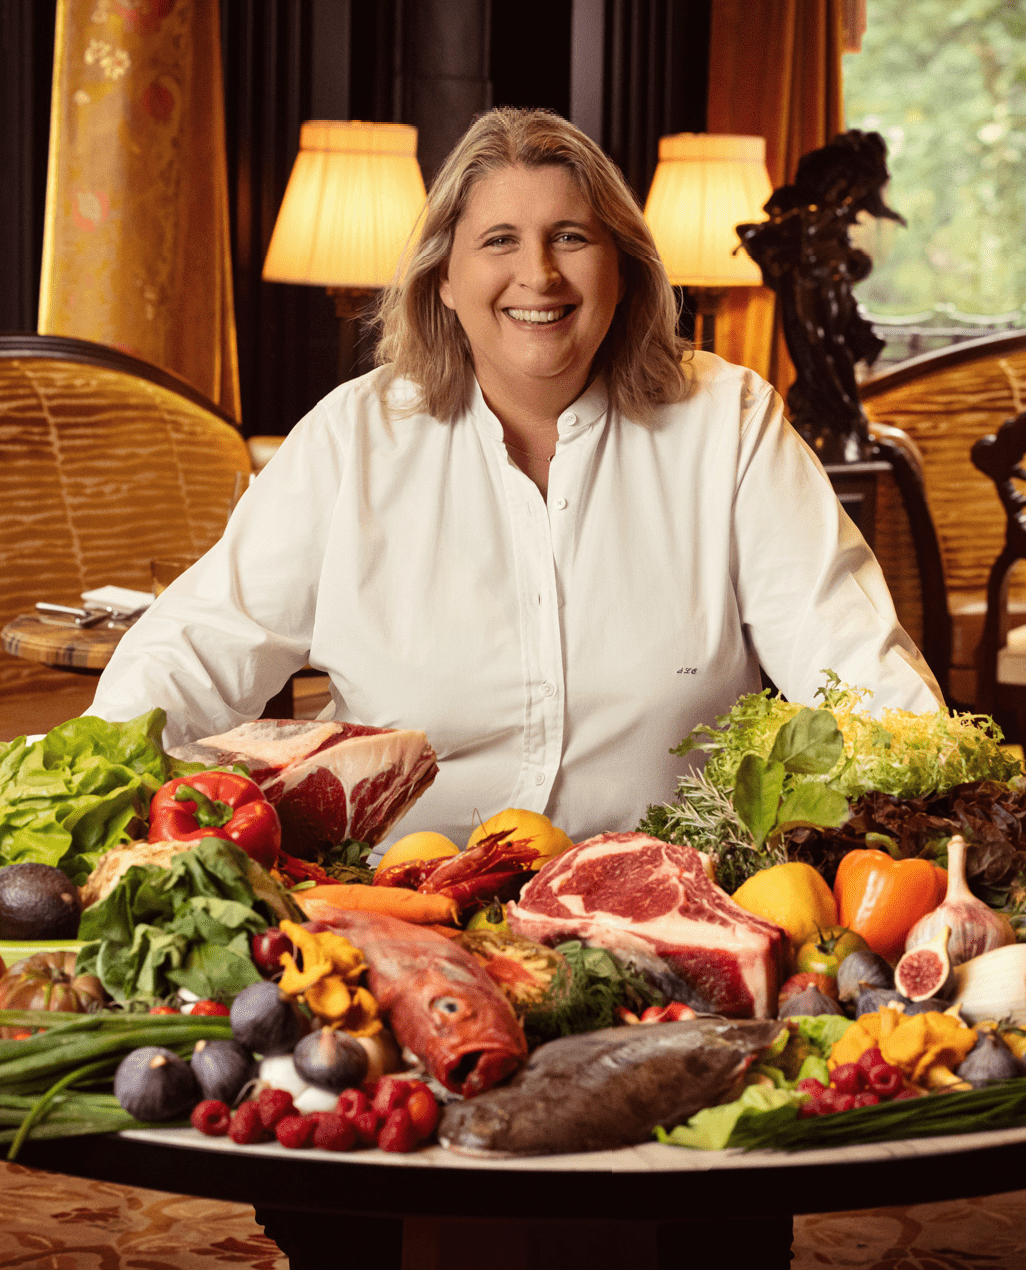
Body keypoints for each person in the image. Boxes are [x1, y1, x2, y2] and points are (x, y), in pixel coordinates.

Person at [90, 107, 942, 844]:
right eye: (499, 240)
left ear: (623, 270)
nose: (538, 275)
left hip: (680, 903)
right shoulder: (351, 438)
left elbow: (853, 659)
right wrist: (82, 789)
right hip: (402, 904)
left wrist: (940, 803)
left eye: (571, 237)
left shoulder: (730, 423)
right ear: (446, 280)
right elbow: (197, 647)